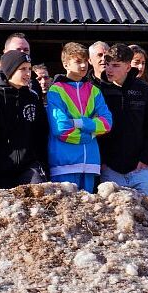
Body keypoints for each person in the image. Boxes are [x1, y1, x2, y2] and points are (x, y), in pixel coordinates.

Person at [47, 43, 112, 192]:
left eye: (85, 60)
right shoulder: (56, 90)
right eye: (78, 61)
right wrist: (91, 134)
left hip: (91, 163)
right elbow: (62, 129)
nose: (83, 65)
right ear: (65, 64)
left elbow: (107, 123)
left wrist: (79, 123)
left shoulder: (94, 91)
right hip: (63, 165)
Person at [0, 51, 48, 190]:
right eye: (23, 69)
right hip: (1, 169)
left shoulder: (32, 98)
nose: (28, 73)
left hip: (29, 166)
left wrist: (41, 163)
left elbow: (41, 133)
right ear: (10, 70)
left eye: (29, 68)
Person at [99, 42, 148, 195]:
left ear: (128, 67)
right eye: (107, 64)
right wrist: (102, 162)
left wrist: (146, 158)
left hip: (140, 168)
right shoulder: (99, 90)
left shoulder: (145, 90)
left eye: (115, 65)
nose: (109, 69)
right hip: (110, 168)